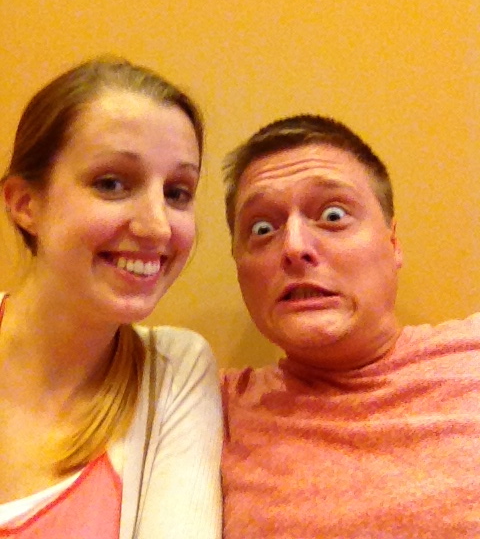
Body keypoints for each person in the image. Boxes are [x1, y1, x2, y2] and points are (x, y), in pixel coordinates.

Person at [221, 114, 480, 539]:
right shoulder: (211, 410)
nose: (294, 247)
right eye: (262, 228)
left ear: (393, 243)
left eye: (333, 214)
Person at [0, 58, 222, 538]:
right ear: (25, 203)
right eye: (112, 184)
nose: (157, 226)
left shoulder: (172, 372)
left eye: (178, 192)